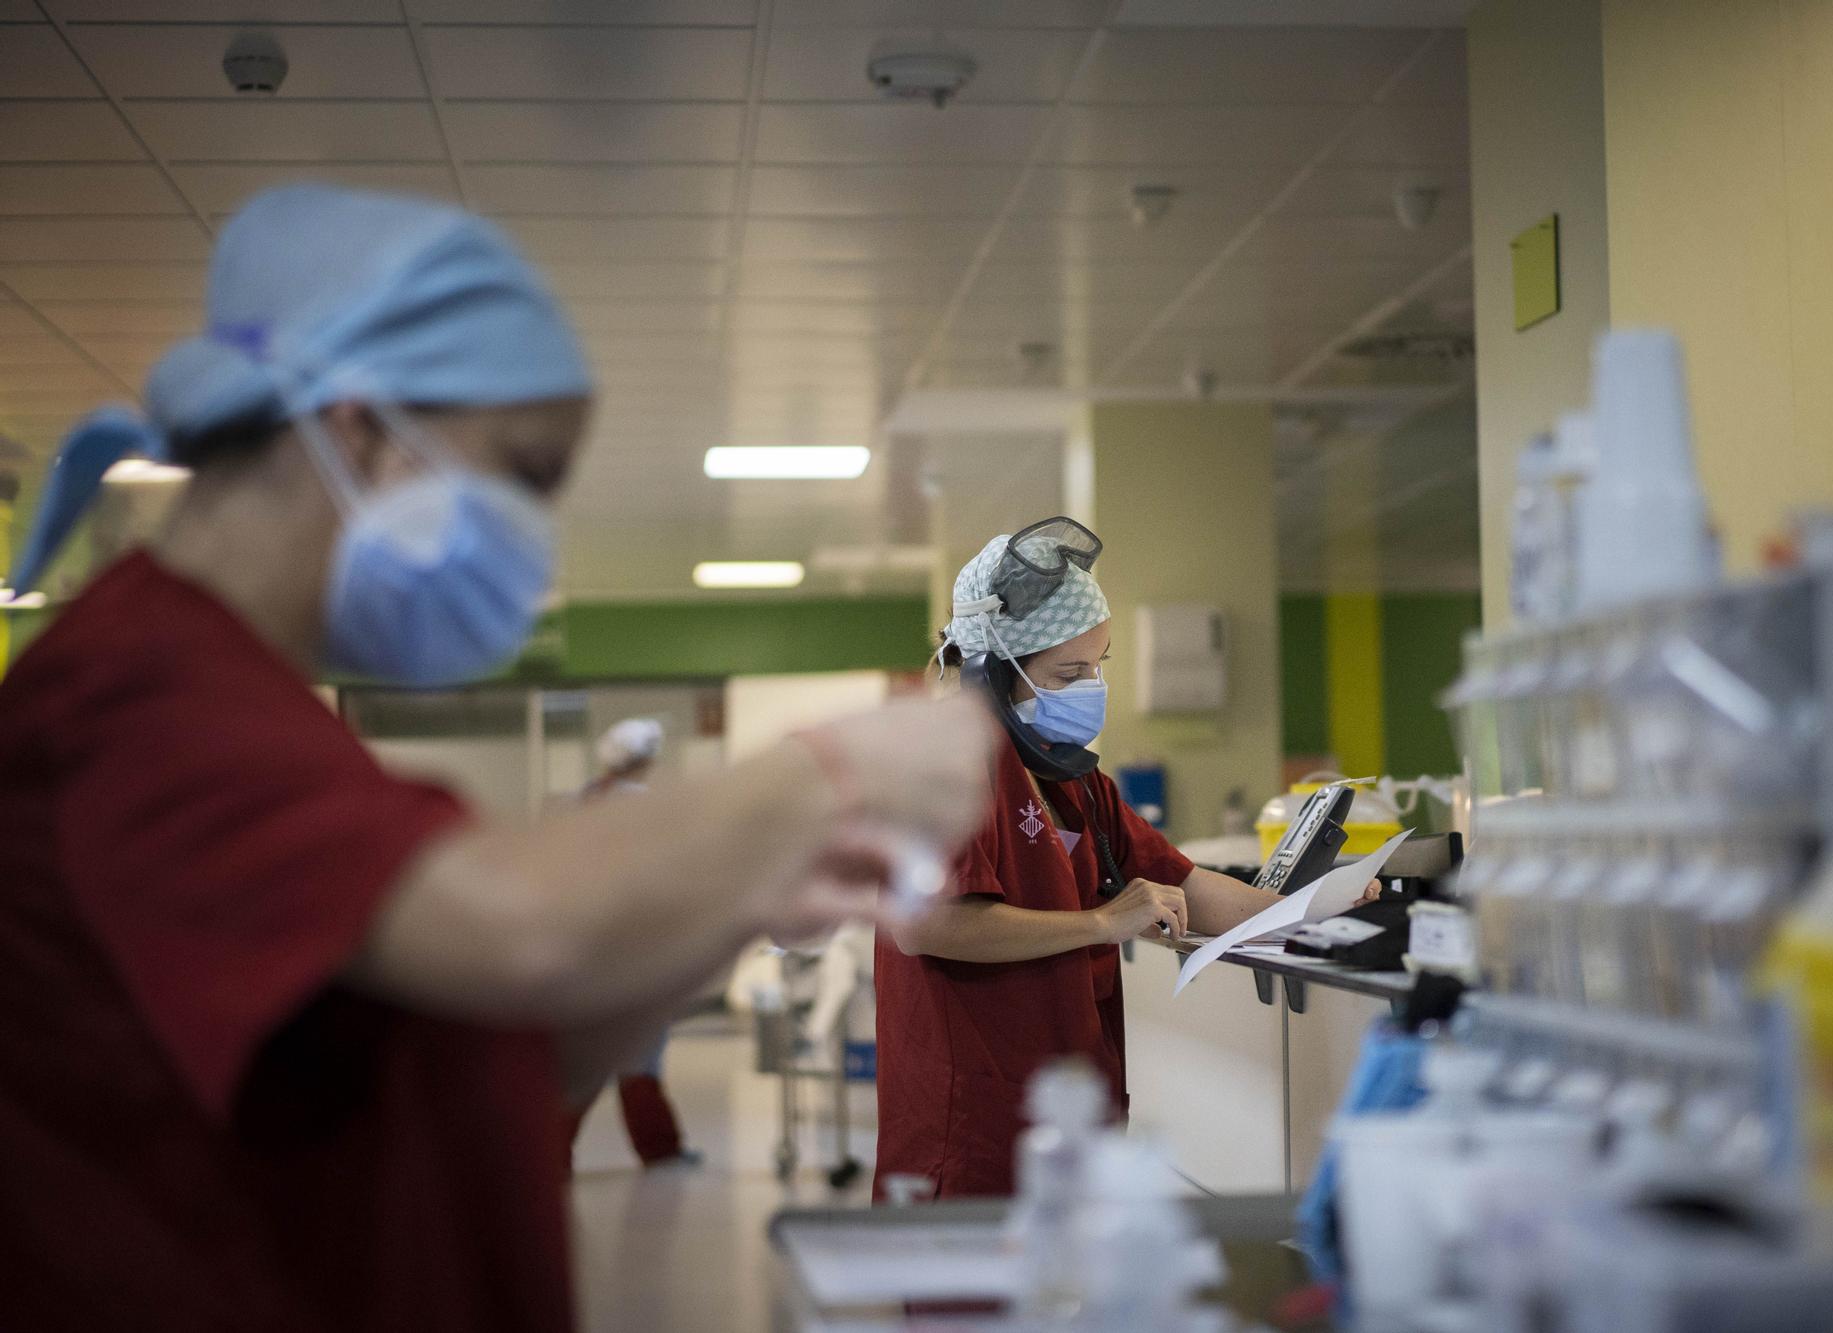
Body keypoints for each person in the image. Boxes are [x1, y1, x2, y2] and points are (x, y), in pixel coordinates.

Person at [0, 184, 993, 1332]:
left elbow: (485, 1054)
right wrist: (823, 771)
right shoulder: (134, 692)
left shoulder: (251, 704)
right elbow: (511, 923)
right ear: (361, 430)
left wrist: (736, 900)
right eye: (520, 473)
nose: (531, 531)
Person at [873, 518, 1375, 1200]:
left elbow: (1187, 885)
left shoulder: (1076, 784)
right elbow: (923, 924)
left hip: (1070, 1123)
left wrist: (1324, 910)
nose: (1090, 688)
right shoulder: (942, 768)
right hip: (973, 1140)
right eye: (1068, 672)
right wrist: (1100, 922)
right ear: (993, 672)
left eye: (1098, 666)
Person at [571, 718, 698, 1168]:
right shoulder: (646, 811)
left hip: (588, 954)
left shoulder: (585, 801)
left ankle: (549, 1156)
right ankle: (659, 1149)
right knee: (639, 1058)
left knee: (587, 1061)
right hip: (635, 955)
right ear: (645, 760)